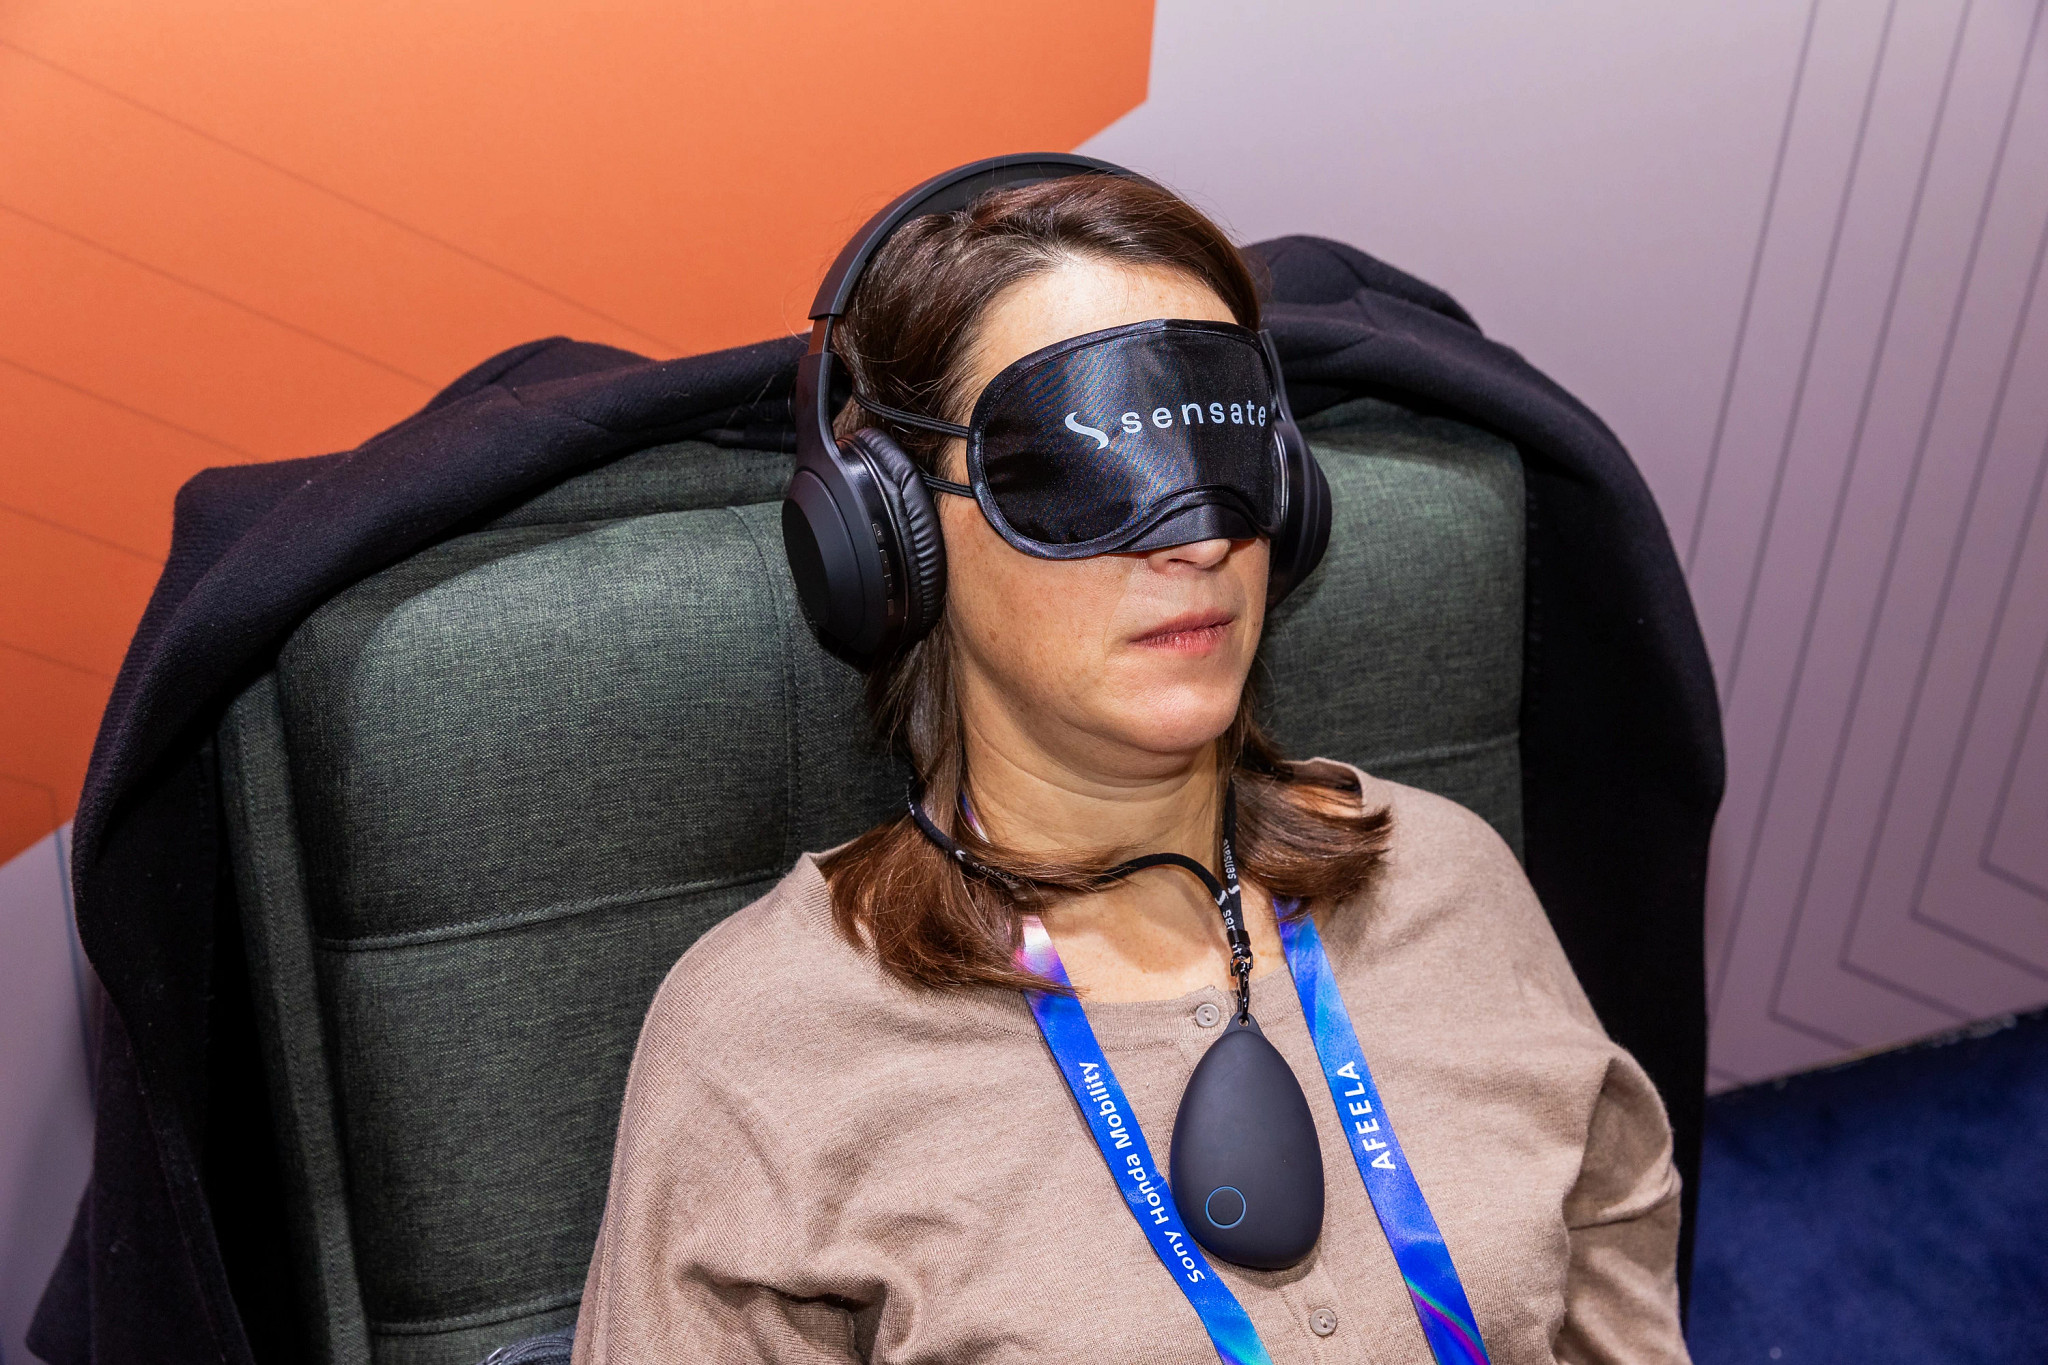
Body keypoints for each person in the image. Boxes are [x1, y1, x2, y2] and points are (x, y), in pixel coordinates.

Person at [572, 161, 1690, 1364]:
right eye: (1086, 465)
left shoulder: (1443, 879)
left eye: (1222, 452)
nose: (1199, 535)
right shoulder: (764, 1044)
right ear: (887, 534)